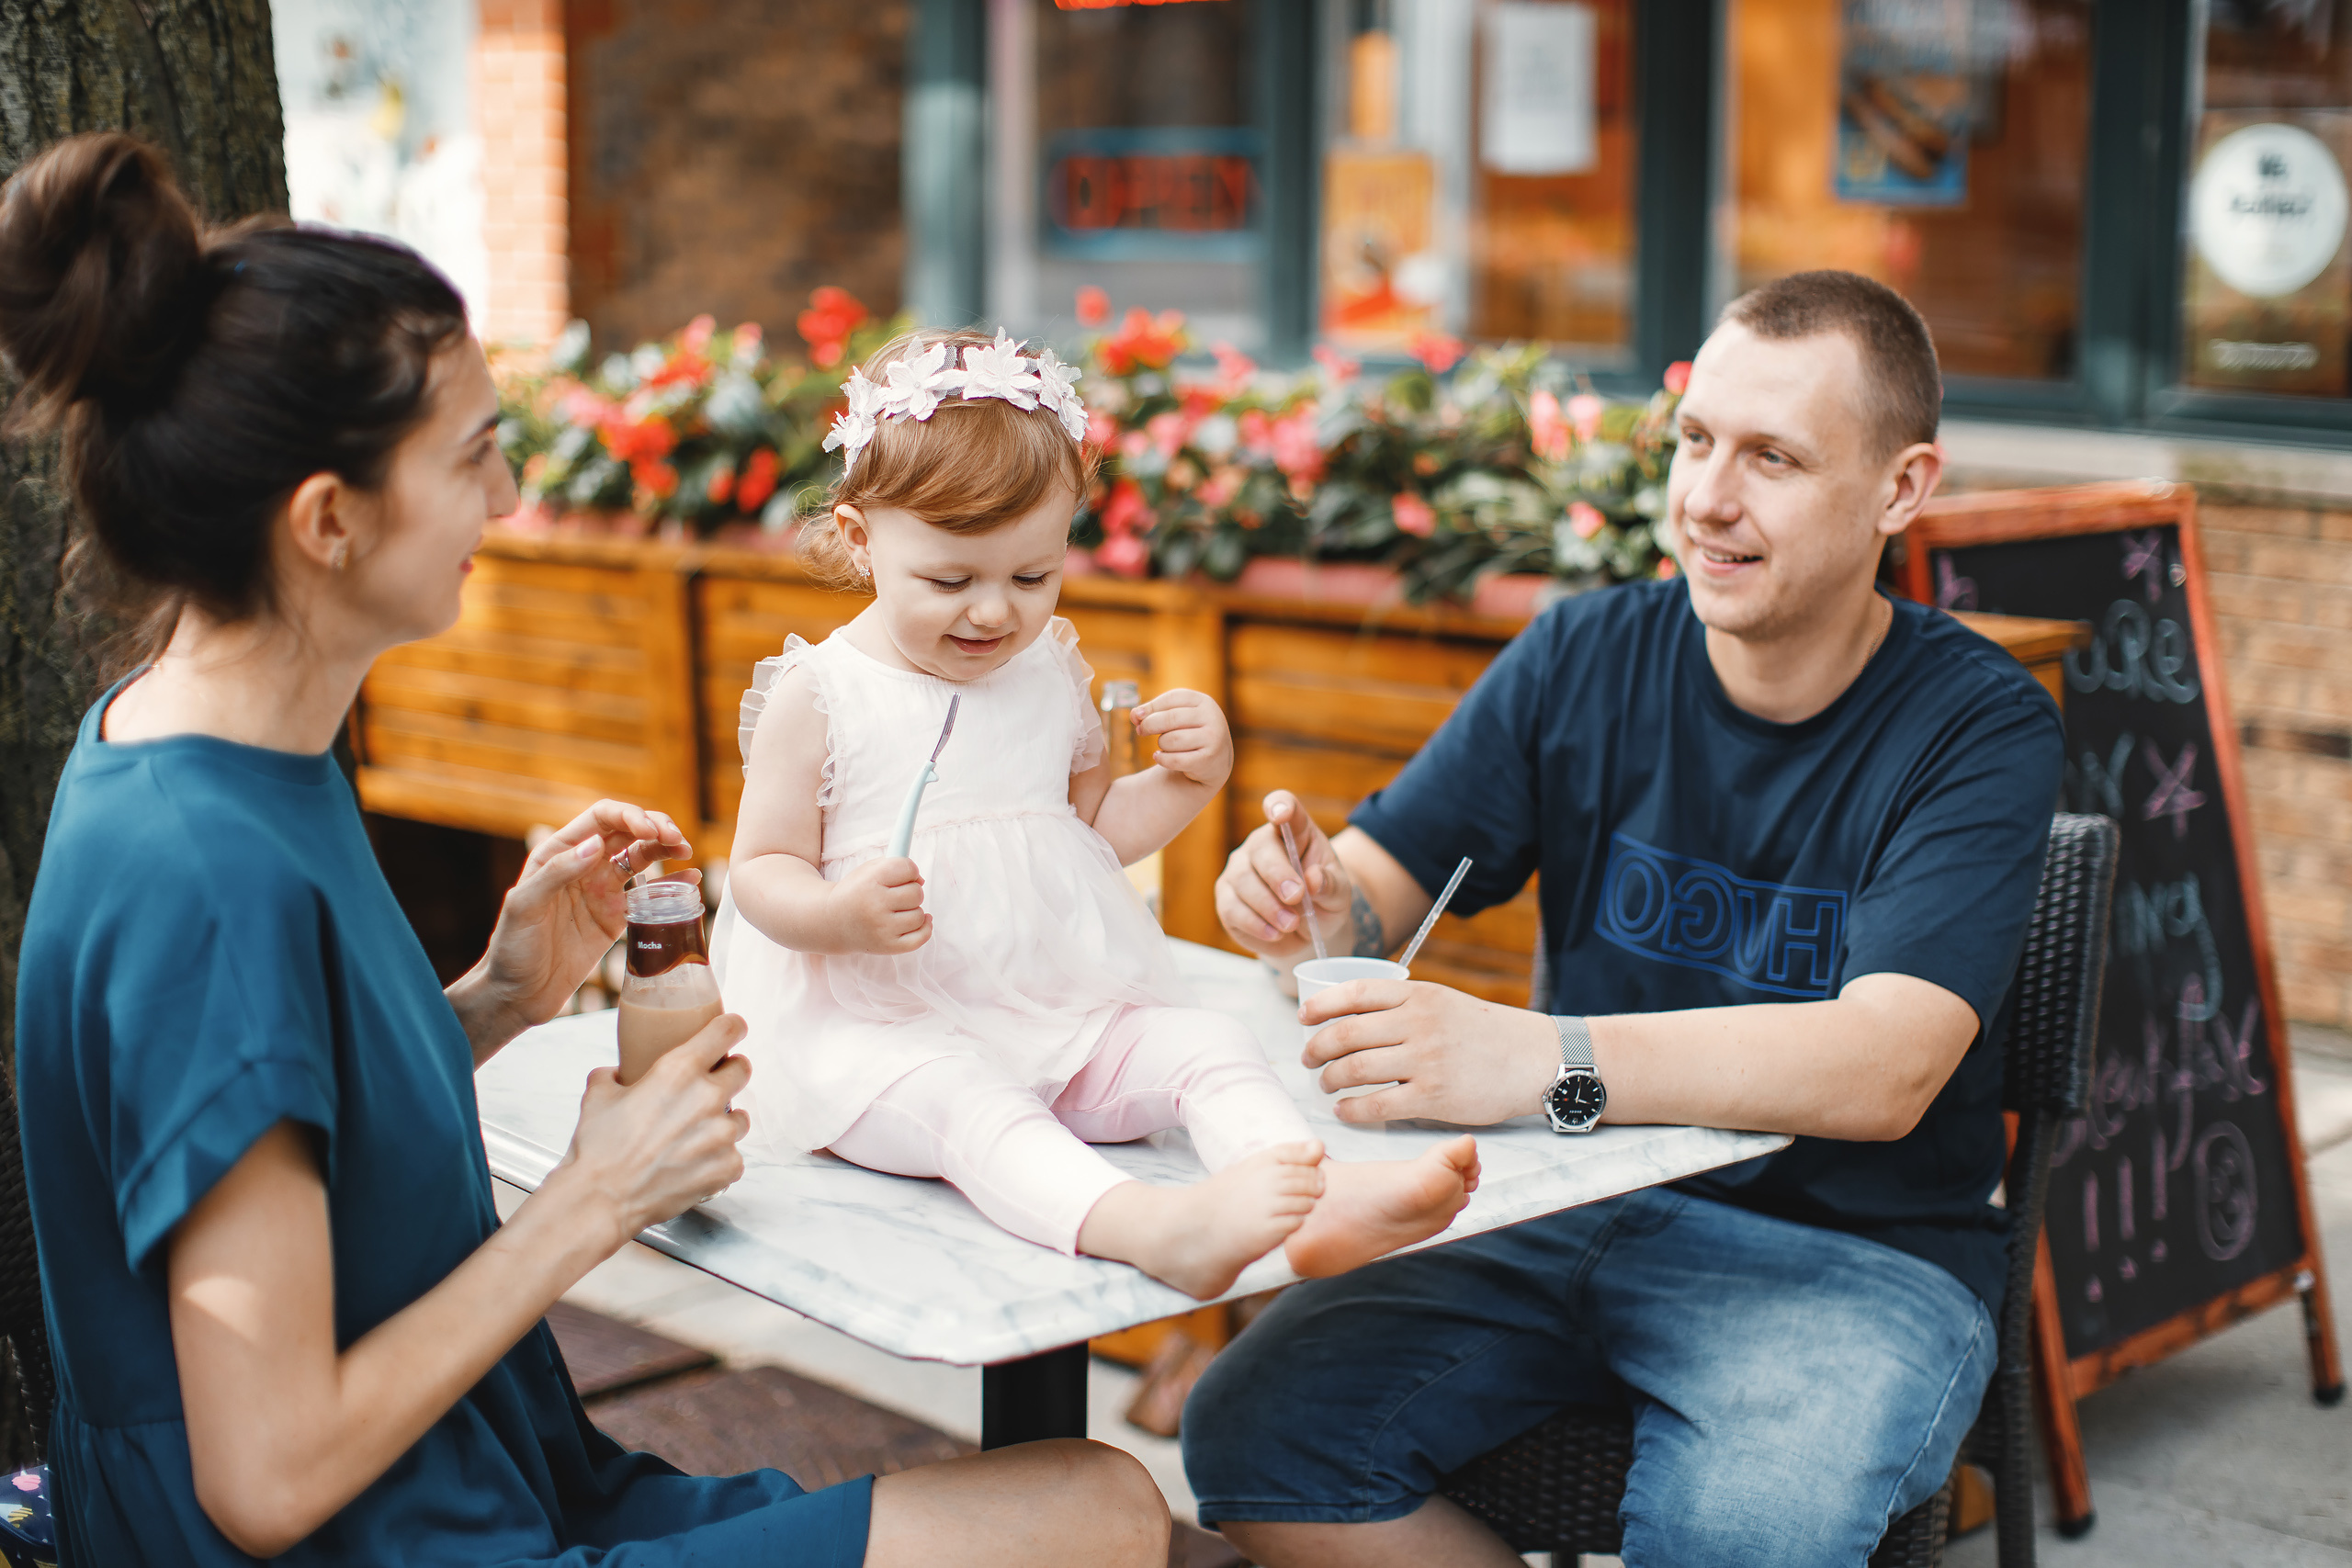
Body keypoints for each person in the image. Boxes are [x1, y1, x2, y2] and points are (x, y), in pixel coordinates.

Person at [1, 132, 1168, 1568]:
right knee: (1093, 1513)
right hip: (394, 1539)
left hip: (495, 1480)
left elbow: (277, 1122)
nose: (507, 498)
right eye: (473, 457)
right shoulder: (204, 877)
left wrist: (502, 995)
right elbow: (266, 1473)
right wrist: (594, 1198)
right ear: (328, 521)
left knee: (1099, 1497)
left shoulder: (197, 743)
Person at [1183, 271, 2067, 1566]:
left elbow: (1888, 1065)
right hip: (1560, 1203)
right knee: (1253, 1436)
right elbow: (1371, 890)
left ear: (1901, 488)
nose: (1706, 497)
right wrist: (1305, 908)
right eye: (1696, 439)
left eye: (1772, 457)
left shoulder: (1978, 723)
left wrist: (1544, 1061)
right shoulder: (1582, 654)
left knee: (1739, 1537)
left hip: (1852, 1258)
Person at [715, 327, 1478, 1302]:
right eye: (951, 580)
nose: (994, 613)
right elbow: (760, 867)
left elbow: (1086, 835)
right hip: (873, 1036)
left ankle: (1311, 1190)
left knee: (1206, 1042)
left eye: (1031, 577)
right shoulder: (823, 694)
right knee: (968, 1103)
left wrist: (1189, 781)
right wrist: (837, 914)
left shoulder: (1045, 672)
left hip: (1047, 1010)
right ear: (862, 539)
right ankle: (1150, 1227)